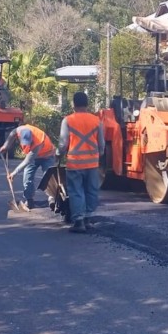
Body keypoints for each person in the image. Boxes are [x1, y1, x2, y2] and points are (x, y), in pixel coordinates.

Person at [59, 91, 104, 233]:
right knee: (91, 190)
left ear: (74, 104)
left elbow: (63, 143)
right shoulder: (97, 120)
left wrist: (58, 154)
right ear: (87, 104)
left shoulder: (68, 120)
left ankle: (78, 221)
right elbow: (101, 144)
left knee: (76, 191)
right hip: (92, 163)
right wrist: (98, 154)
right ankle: (88, 218)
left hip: (75, 163)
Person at [0, 123, 57, 211]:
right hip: (33, 157)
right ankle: (29, 199)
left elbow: (27, 161)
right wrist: (6, 146)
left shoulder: (38, 142)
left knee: (49, 177)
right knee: (27, 177)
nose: (27, 144)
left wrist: (14, 173)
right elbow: (12, 135)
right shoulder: (19, 130)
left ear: (32, 138)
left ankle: (52, 198)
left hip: (47, 155)